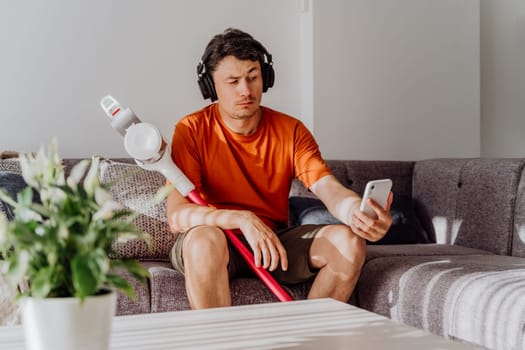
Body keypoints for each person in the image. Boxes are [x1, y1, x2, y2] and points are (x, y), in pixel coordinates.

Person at [166, 28, 393, 309]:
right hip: (214, 238)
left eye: (253, 77)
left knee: (349, 243)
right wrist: (242, 219)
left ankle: (308, 339)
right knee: (203, 240)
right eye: (233, 81)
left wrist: (356, 212)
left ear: (266, 78)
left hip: (272, 243)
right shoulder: (191, 130)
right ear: (211, 87)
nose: (246, 90)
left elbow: (327, 187)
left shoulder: (291, 130)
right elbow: (177, 215)